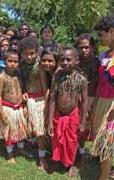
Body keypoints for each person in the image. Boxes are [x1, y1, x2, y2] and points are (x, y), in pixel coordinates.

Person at [48, 47, 88, 177]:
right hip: (58, 115)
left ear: (76, 61)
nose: (65, 62)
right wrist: (49, 121)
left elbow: (84, 102)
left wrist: (83, 122)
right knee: (56, 140)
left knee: (71, 142)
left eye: (68, 59)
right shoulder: (56, 77)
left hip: (72, 116)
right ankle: (56, 160)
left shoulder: (81, 80)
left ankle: (70, 164)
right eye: (62, 59)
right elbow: (53, 99)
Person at [0, 50, 30, 163]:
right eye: (10, 61)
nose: (12, 64)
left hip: (19, 107)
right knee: (9, 132)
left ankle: (20, 149)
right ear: (4, 61)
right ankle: (10, 154)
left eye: (15, 61)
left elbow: (23, 90)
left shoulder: (19, 75)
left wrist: (24, 105)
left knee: (20, 130)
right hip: (8, 108)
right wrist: (1, 112)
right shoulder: (1, 77)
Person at [19, 37, 47, 170]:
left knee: (40, 131)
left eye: (32, 53)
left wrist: (46, 105)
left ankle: (42, 158)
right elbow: (24, 82)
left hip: (40, 100)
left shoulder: (40, 65)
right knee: (33, 130)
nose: (29, 56)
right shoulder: (22, 65)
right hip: (29, 100)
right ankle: (37, 149)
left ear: (36, 52)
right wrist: (24, 92)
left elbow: (45, 86)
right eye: (25, 54)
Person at [92, 15, 114, 180]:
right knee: (103, 140)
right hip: (102, 103)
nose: (99, 38)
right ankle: (105, 173)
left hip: (112, 106)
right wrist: (95, 105)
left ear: (112, 32)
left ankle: (104, 176)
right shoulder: (103, 56)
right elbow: (100, 83)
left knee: (107, 141)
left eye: (101, 35)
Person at [76, 33, 99, 165]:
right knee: (81, 129)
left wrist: (94, 103)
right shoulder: (76, 62)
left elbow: (100, 84)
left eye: (87, 47)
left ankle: (98, 153)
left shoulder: (98, 62)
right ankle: (81, 153)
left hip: (95, 99)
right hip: (78, 100)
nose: (84, 50)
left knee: (94, 127)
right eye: (81, 47)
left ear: (93, 47)